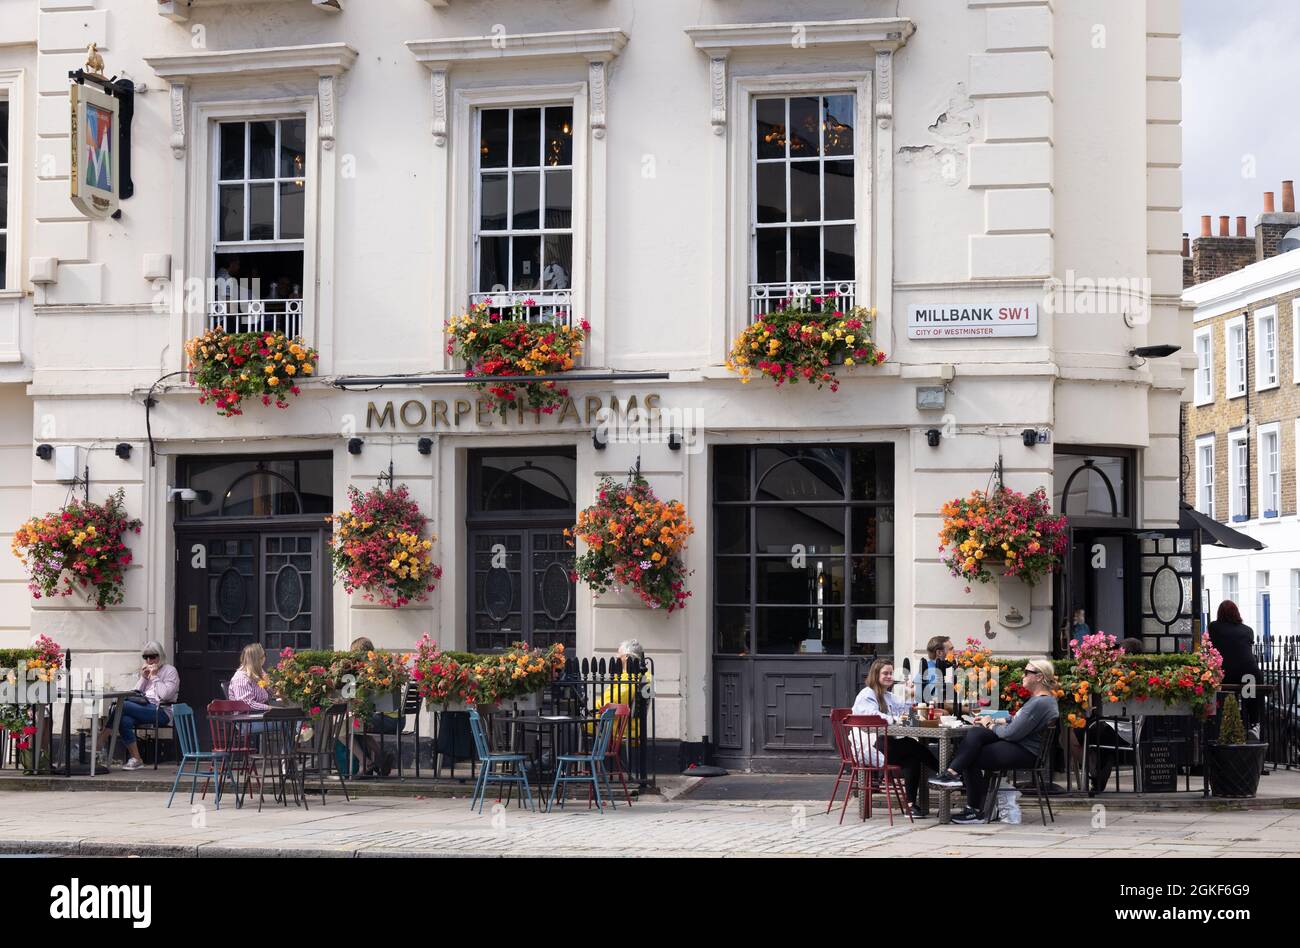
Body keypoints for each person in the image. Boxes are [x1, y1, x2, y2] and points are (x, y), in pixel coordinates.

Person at [929, 658, 1060, 824]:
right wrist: (997, 721)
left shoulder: (1040, 703)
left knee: (972, 756)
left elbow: (1012, 734)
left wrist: (990, 724)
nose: (1023, 676)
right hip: (1023, 747)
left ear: (1039, 677)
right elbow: (1020, 722)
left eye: (1027, 672)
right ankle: (952, 774)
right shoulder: (1042, 701)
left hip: (1026, 752)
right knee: (976, 733)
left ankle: (976, 811)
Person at [849, 658, 942, 816]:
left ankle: (910, 806)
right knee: (911, 745)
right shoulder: (866, 695)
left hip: (885, 744)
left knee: (912, 758)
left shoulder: (888, 696)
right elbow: (873, 716)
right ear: (875, 674)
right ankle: (945, 772)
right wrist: (894, 719)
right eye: (885, 673)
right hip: (869, 747)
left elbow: (907, 710)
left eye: (891, 673)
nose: (889, 676)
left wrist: (910, 694)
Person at [102, 641, 179, 770]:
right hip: (143, 708)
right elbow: (134, 693)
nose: (149, 660)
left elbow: (165, 695)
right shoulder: (147, 671)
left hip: (162, 711)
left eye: (153, 656)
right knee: (124, 720)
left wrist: (154, 677)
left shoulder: (170, 671)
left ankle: (101, 740)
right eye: (146, 657)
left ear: (160, 656)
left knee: (122, 706)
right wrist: (143, 678)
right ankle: (137, 759)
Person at [1207, 600, 1264, 732]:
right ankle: (1255, 724)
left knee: (1225, 699)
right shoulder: (1248, 630)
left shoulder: (1214, 627)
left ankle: (1222, 727)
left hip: (1226, 673)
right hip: (1249, 673)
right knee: (1250, 696)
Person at [914, 635, 954, 705]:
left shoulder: (929, 666)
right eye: (950, 649)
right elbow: (940, 703)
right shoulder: (933, 672)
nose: (955, 652)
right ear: (939, 653)